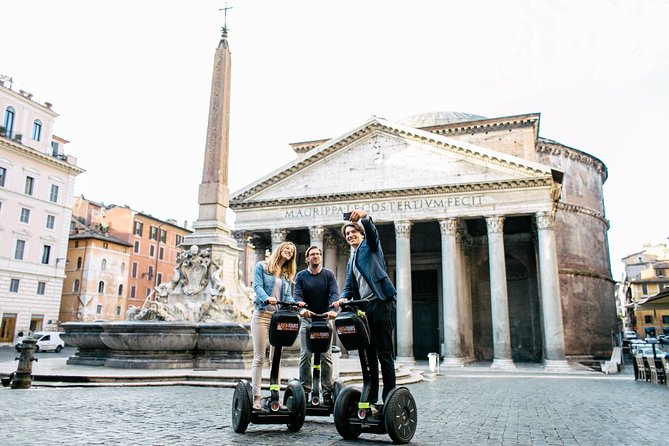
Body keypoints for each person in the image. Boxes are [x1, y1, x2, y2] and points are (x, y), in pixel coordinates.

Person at [334, 209, 397, 410]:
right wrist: (343, 298)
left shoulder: (370, 247)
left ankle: (389, 396)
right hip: (365, 309)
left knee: (384, 353)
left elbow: (373, 233)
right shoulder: (352, 259)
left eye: (353, 232)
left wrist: (365, 218)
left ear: (361, 234)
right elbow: (350, 285)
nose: (350, 236)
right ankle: (371, 396)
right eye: (347, 234)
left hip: (381, 303)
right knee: (368, 354)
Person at [251, 241, 303, 411]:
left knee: (276, 360)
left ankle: (275, 398)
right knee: (259, 357)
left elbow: (287, 297)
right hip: (261, 315)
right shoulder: (262, 266)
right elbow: (257, 286)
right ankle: (257, 397)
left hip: (278, 318)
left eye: (292, 251)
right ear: (280, 250)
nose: (289, 252)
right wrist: (266, 297)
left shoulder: (287, 276)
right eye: (287, 248)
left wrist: (296, 304)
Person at [294, 245, 339, 405]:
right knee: (306, 355)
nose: (316, 256)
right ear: (307, 259)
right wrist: (302, 308)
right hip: (308, 320)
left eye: (318, 254)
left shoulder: (329, 275)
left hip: (324, 319)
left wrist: (333, 309)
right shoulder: (301, 276)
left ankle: (327, 392)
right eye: (312, 254)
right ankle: (305, 392)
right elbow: (297, 295)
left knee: (326, 357)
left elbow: (334, 293)